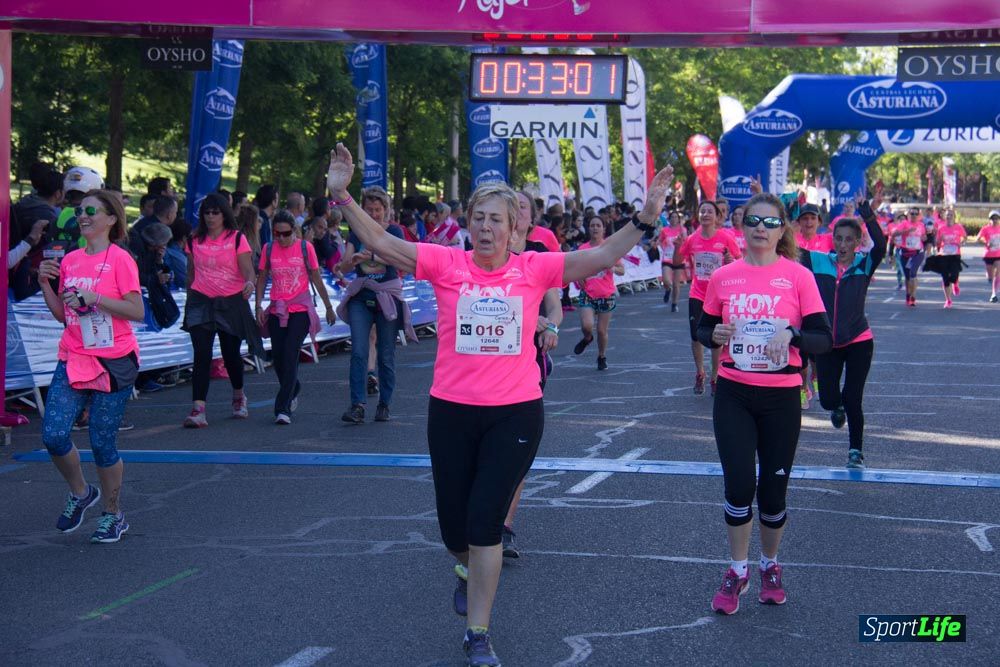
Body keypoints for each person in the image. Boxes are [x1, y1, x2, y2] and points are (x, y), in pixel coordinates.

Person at [327, 142, 673, 666]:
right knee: (454, 530)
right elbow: (378, 239)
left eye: (497, 220)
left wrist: (645, 219)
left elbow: (601, 257)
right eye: (478, 218)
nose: (486, 228)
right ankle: (464, 566)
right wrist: (340, 195)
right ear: (468, 224)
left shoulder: (534, 269)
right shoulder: (446, 263)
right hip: (452, 410)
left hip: (515, 412)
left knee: (486, 521)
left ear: (515, 229)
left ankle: (478, 633)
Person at [697, 192, 832, 615]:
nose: (761, 228)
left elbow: (823, 339)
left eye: (770, 223)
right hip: (735, 391)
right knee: (739, 485)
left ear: (782, 230)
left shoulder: (797, 277)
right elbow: (704, 326)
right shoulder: (724, 277)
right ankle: (737, 571)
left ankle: (770, 564)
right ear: (742, 225)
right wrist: (713, 336)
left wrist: (791, 335)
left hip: (781, 396)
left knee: (772, 494)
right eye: (754, 220)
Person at [37, 189, 145, 543]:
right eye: (80, 211)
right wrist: (44, 285)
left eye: (91, 211)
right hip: (74, 356)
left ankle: (113, 515)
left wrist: (96, 298)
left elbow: (137, 312)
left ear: (111, 219)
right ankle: (82, 493)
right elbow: (62, 317)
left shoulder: (121, 259)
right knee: (53, 435)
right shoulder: (70, 260)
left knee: (102, 444)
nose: (82, 216)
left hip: (114, 362)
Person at [800, 194, 886, 469]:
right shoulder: (818, 262)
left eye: (850, 239)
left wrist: (866, 212)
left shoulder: (864, 264)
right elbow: (787, 245)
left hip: (859, 339)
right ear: (833, 239)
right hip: (827, 342)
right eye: (839, 238)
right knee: (827, 399)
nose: (844, 244)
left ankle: (855, 451)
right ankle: (835, 407)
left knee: (852, 396)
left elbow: (881, 244)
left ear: (858, 242)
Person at [502, 191, 564, 559]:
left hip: (529, 356)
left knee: (517, 442)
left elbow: (554, 306)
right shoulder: (486, 253)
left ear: (529, 217)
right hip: (485, 363)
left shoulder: (541, 254)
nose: (517, 212)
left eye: (522, 206)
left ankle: (504, 524)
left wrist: (550, 327)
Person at [335, 186, 416, 424]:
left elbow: (399, 260)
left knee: (386, 354)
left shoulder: (394, 231)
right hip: (362, 294)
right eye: (368, 209)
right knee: (359, 351)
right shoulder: (356, 232)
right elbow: (346, 265)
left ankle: (384, 404)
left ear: (386, 210)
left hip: (387, 295)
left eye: (377, 210)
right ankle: (357, 405)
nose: (373, 214)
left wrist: (371, 257)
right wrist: (349, 262)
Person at [181, 193, 263, 428]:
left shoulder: (236, 239)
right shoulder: (194, 239)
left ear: (224, 214)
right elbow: (190, 273)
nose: (210, 217)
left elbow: (249, 271)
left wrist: (249, 283)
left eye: (215, 212)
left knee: (230, 354)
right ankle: (198, 409)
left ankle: (238, 395)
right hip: (201, 300)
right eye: (206, 212)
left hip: (230, 301)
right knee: (202, 355)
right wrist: (190, 301)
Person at [255, 211, 336, 424]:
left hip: (300, 308)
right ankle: (294, 387)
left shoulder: (304, 248)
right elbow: (262, 277)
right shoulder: (268, 249)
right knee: (279, 358)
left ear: (294, 231)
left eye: (286, 233)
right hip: (277, 309)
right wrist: (257, 306)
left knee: (291, 352)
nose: (281, 238)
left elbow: (317, 278)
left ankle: (283, 408)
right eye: (276, 233)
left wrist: (328, 306)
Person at [674, 200, 742, 395]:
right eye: (702, 211)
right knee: (696, 336)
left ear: (717, 217)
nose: (705, 214)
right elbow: (678, 261)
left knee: (716, 337)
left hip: (719, 294)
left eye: (709, 212)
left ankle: (715, 377)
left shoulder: (726, 238)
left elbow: (738, 261)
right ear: (698, 215)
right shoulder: (692, 239)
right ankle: (700, 373)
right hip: (698, 293)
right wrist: (678, 247)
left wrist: (731, 260)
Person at [572, 216, 625, 370]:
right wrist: (578, 278)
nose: (595, 228)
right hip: (588, 293)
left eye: (598, 225)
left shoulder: (610, 248)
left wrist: (613, 268)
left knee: (602, 331)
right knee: (587, 325)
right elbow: (575, 268)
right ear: (589, 228)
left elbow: (622, 270)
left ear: (603, 229)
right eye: (592, 225)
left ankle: (601, 356)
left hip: (606, 295)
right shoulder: (583, 249)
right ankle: (587, 338)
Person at [927, 209, 966, 308]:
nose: (949, 217)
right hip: (944, 254)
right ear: (945, 216)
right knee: (945, 278)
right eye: (947, 215)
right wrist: (937, 244)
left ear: (954, 217)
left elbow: (965, 237)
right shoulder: (941, 228)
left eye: (951, 215)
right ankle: (948, 300)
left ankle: (955, 283)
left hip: (955, 254)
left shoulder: (958, 227)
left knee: (954, 275)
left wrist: (961, 243)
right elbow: (938, 241)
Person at [897, 208, 927, 307]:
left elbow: (924, 237)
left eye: (916, 214)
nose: (914, 215)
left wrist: (924, 238)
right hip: (905, 252)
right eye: (912, 213)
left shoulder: (921, 225)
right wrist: (907, 231)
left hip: (917, 253)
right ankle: (908, 294)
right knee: (907, 277)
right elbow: (894, 234)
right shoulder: (904, 224)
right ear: (908, 214)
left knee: (912, 273)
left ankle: (913, 296)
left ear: (918, 215)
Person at [659, 210, 688, 311]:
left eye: (676, 217)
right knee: (666, 280)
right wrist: (657, 245)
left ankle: (674, 304)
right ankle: (668, 289)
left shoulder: (682, 230)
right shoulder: (664, 230)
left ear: (678, 219)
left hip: (679, 258)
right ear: (669, 219)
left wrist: (683, 236)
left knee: (676, 284)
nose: (674, 219)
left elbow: (686, 242)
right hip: (667, 258)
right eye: (672, 217)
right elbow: (660, 241)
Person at [975, 210, 1000, 302]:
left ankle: (994, 294)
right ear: (990, 220)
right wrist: (986, 242)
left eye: (996, 218)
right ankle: (989, 277)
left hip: (998, 255)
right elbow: (977, 239)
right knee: (991, 276)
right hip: (988, 255)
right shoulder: (985, 229)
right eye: (993, 218)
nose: (995, 220)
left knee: (997, 272)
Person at [235, 203, 263, 271]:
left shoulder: (252, 239)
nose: (260, 222)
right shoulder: (246, 240)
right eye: (257, 219)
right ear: (252, 222)